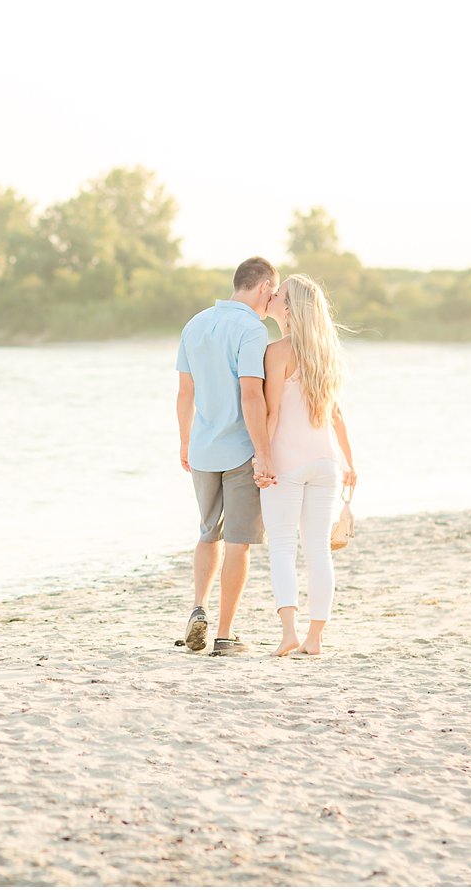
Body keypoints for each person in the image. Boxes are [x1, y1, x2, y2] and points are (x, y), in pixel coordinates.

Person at [175, 256, 279, 655]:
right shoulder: (252, 330)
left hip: (202, 448)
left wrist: (185, 440)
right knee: (239, 540)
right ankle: (224, 634)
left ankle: (198, 608)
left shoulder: (195, 323)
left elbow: (185, 393)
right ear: (265, 287)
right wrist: (264, 454)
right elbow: (251, 394)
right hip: (239, 449)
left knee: (207, 532)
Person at [260, 274, 358, 658]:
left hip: (287, 462)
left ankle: (289, 633)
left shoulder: (277, 352)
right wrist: (350, 461)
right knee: (318, 550)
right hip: (326, 463)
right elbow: (337, 415)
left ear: (288, 307)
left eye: (279, 294)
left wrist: (261, 457)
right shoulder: (327, 353)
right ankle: (314, 639)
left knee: (283, 547)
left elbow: (270, 414)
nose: (272, 296)